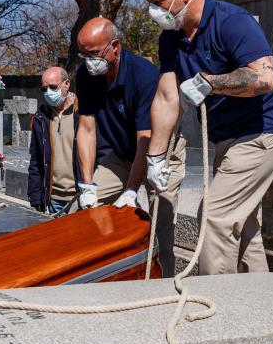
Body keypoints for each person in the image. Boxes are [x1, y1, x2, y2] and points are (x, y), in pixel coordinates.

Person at [144, 0, 273, 276]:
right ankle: (264, 303)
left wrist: (211, 83)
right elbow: (166, 97)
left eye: (158, 3)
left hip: (261, 134)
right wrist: (155, 157)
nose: (153, 12)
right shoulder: (171, 38)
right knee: (243, 224)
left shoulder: (231, 22)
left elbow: (265, 78)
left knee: (214, 217)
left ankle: (219, 309)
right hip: (227, 138)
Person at [75, 17, 186, 277]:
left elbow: (146, 139)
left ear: (115, 46)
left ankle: (164, 280)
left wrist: (131, 189)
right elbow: (86, 130)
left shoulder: (144, 76)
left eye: (94, 54)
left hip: (159, 153)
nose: (89, 62)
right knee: (82, 212)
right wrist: (87, 184)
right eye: (84, 54)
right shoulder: (86, 75)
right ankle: (106, 274)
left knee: (161, 222)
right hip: (120, 154)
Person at [28, 67, 80, 217]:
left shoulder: (83, 112)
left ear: (67, 84)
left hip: (80, 196)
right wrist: (35, 195)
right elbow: (36, 159)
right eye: (44, 89)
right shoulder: (41, 117)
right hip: (54, 200)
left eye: (52, 87)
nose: (49, 93)